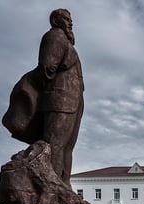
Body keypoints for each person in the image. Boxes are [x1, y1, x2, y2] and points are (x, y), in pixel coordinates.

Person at [37, 8, 84, 185]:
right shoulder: (54, 37)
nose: (70, 22)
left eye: (70, 19)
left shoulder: (66, 42)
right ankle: (53, 186)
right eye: (66, 19)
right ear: (56, 21)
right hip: (59, 99)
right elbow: (47, 68)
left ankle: (64, 185)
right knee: (55, 145)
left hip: (73, 99)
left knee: (67, 146)